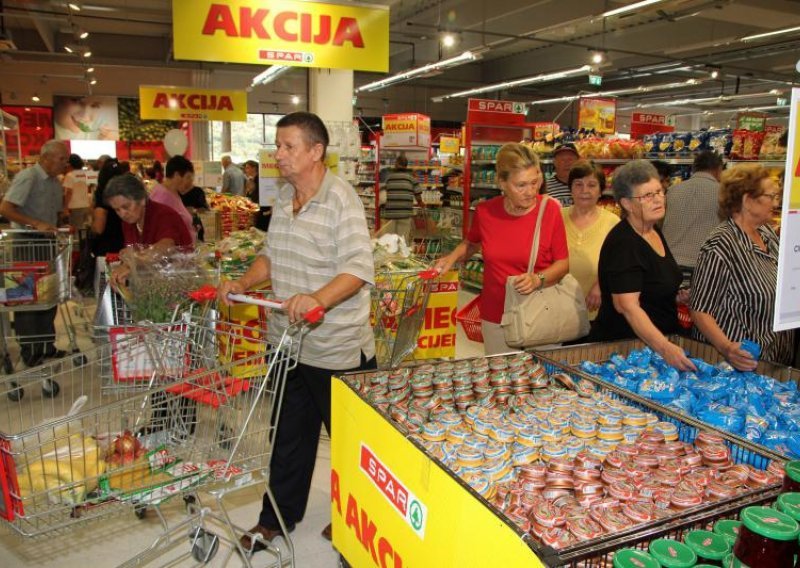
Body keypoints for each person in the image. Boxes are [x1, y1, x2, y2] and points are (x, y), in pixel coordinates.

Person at [217, 112, 375, 552]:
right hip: (286, 342)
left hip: (336, 346)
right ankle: (276, 518)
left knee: (350, 443)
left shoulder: (342, 200)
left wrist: (317, 299)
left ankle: (355, 517)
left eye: (288, 147)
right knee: (287, 433)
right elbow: (271, 256)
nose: (278, 155)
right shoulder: (285, 199)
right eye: (277, 146)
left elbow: (359, 270)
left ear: (316, 151)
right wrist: (245, 283)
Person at [434, 143, 569, 355]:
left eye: (534, 183)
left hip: (540, 313)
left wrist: (538, 279)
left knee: (541, 381)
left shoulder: (550, 209)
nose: (530, 192)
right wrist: (451, 258)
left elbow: (563, 263)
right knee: (501, 381)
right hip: (497, 315)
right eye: (521, 185)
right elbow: (471, 243)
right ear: (502, 183)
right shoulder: (485, 212)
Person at [591, 160, 695, 371]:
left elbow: (648, 287)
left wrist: (674, 296)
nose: (658, 200)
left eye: (659, 192)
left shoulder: (652, 230)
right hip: (628, 354)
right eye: (647, 196)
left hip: (654, 348)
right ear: (627, 204)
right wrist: (665, 348)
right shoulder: (624, 243)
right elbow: (626, 306)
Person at [690, 164, 794, 368]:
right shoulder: (721, 245)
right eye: (771, 196)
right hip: (735, 366)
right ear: (747, 201)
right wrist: (727, 347)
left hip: (772, 359)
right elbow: (700, 310)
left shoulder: (767, 233)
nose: (777, 202)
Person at [0, 140, 69, 367]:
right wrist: (35, 223)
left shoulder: (55, 183)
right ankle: (29, 349)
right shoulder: (28, 177)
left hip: (46, 244)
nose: (65, 163)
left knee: (48, 296)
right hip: (25, 244)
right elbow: (6, 208)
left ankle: (46, 345)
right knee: (27, 298)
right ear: (46, 157)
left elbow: (56, 214)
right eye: (61, 159)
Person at [561, 160, 619, 320]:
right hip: (557, 310)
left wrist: (601, 286)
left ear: (601, 190)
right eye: (578, 184)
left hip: (595, 311)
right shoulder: (555, 218)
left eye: (592, 185)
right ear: (570, 189)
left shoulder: (613, 222)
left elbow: (619, 265)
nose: (584, 190)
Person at [661, 150, 724, 282]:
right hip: (703, 267)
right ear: (718, 170)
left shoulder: (672, 191)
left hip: (669, 264)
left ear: (694, 168)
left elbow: (660, 225)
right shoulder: (723, 193)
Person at [149, 155, 196, 242]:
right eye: (188, 177)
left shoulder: (173, 192)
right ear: (177, 175)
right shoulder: (161, 197)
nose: (190, 182)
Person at [91, 158, 129, 257]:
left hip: (107, 247)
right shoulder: (126, 191)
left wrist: (91, 228)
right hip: (124, 242)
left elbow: (99, 228)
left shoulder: (103, 194)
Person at [382, 154, 424, 242]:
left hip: (390, 214)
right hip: (405, 214)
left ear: (396, 164)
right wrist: (421, 203)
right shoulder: (411, 178)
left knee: (389, 242)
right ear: (406, 165)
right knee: (402, 242)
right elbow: (418, 195)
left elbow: (387, 190)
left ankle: (390, 256)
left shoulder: (389, 178)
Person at [63, 153, 91, 230]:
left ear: (70, 164)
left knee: (75, 229)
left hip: (75, 206)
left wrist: (65, 208)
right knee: (84, 229)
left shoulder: (70, 175)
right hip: (86, 205)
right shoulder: (86, 174)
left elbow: (69, 192)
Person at [245, 159, 271, 232]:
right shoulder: (251, 179)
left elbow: (258, 194)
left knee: (261, 229)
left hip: (262, 209)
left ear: (254, 168)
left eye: (247, 168)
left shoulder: (259, 179)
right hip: (257, 208)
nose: (245, 170)